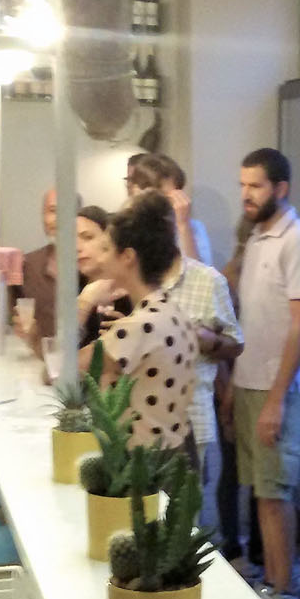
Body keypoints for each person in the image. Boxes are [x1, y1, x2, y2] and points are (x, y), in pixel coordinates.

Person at [230, 148, 300, 599]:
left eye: (255, 186)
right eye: (242, 185)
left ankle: (286, 594)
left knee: (276, 492)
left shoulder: (298, 239)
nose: (246, 194)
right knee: (261, 492)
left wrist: (277, 400)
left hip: (279, 389)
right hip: (248, 381)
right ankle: (272, 584)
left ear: (281, 189)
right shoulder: (257, 237)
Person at [80, 190, 200, 451]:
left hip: (146, 459)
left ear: (127, 257)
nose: (100, 257)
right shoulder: (171, 311)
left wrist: (85, 302)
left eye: (106, 248)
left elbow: (61, 371)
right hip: (175, 449)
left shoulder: (139, 326)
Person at [152, 204, 243, 544]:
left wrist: (207, 339)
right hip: (138, 419)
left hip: (192, 415)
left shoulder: (207, 280)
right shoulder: (132, 278)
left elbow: (235, 344)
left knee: (183, 522)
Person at [126, 152, 213, 265]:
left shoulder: (193, 228)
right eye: (161, 196)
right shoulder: (125, 228)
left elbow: (197, 272)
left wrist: (183, 226)